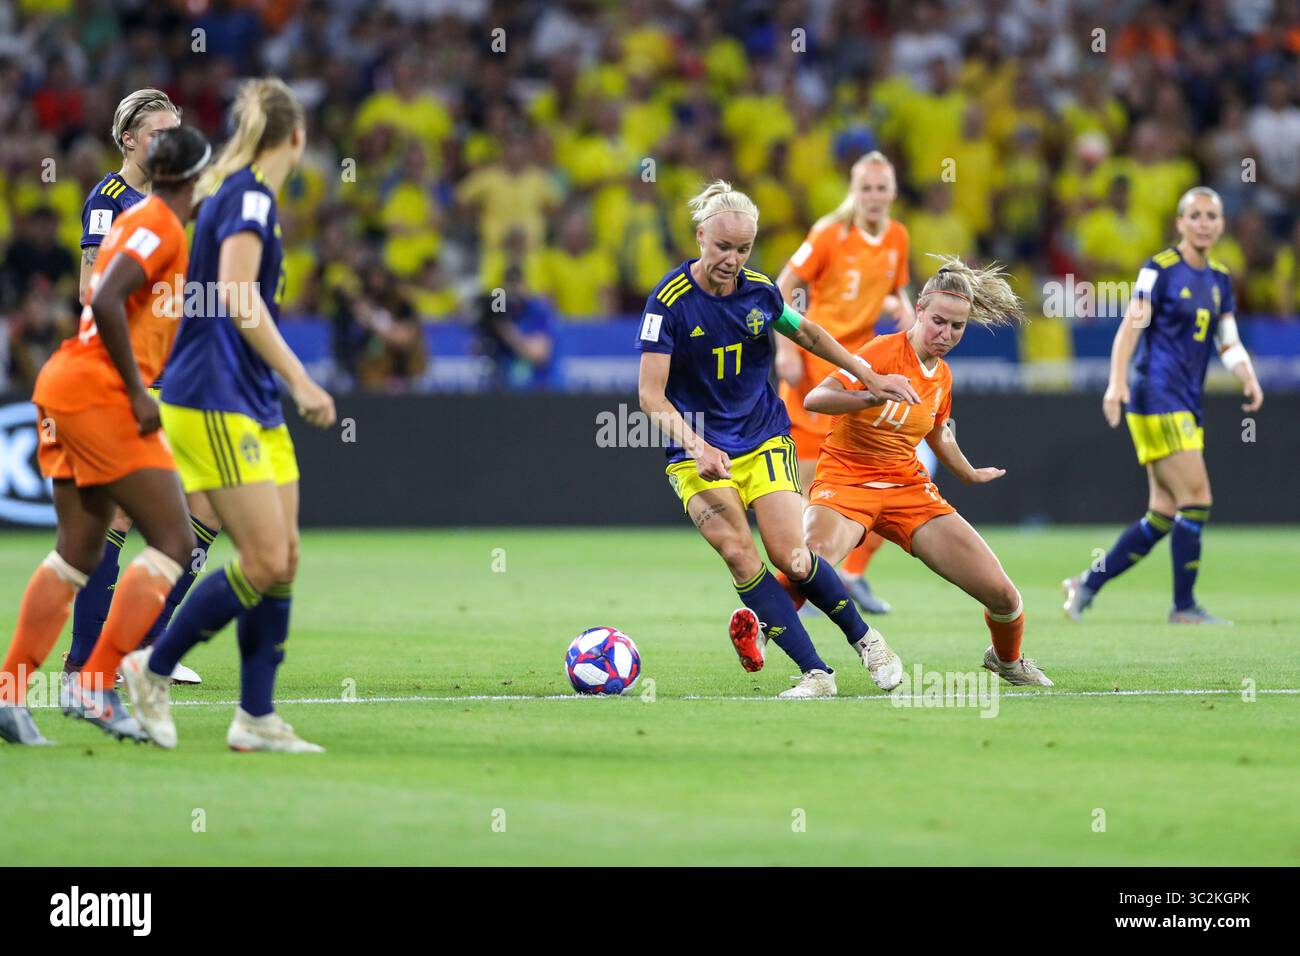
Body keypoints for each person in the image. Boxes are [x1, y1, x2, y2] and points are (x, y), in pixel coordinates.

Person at [636, 181, 920, 699]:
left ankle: (869, 642)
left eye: (743, 249)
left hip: (761, 438)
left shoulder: (760, 292)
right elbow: (651, 397)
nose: (732, 259)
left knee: (793, 557)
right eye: (723, 246)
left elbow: (808, 333)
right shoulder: (669, 302)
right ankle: (817, 673)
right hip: (695, 452)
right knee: (739, 553)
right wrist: (697, 445)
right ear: (701, 236)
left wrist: (866, 374)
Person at [120, 78, 337, 753]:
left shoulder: (242, 192)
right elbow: (240, 300)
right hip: (214, 394)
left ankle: (255, 718)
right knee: (265, 558)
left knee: (285, 558)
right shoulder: (246, 196)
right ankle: (148, 667)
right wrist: (302, 378)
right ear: (296, 138)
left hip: (248, 397)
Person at [0, 127, 214, 746]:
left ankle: (12, 693)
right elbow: (106, 296)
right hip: (99, 392)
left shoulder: (149, 219)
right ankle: (94, 685)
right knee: (175, 536)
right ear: (191, 179)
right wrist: (137, 389)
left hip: (65, 386)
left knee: (78, 551)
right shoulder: (160, 224)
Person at [798, 255, 1054, 687]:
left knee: (1004, 595)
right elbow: (816, 400)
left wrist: (968, 473)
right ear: (918, 310)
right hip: (847, 483)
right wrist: (872, 393)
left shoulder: (943, 376)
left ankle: (1007, 661)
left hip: (908, 490)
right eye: (939, 321)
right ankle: (786, 647)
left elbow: (938, 432)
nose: (946, 334)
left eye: (957, 327)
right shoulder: (881, 351)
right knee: (805, 566)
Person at [66, 88, 216, 686]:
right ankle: (85, 658)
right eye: (157, 133)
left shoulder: (181, 201)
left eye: (174, 132)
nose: (169, 143)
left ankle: (152, 646)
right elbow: (90, 290)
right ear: (129, 140)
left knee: (208, 506)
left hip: (181, 374)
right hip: (128, 374)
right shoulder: (111, 200)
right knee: (123, 516)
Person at [1063, 187, 1263, 624]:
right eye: (1195, 215)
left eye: (1212, 215)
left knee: (1163, 514)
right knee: (1198, 497)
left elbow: (1227, 341)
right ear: (1180, 222)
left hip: (1186, 402)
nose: (1204, 223)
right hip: (1156, 395)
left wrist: (1245, 373)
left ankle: (1086, 584)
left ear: (1221, 224)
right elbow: (1129, 330)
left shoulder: (1220, 279)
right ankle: (1184, 607)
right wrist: (1116, 384)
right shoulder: (1160, 269)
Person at [776, 150, 921, 615]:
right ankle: (807, 584)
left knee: (893, 473)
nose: (875, 197)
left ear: (893, 193)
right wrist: (783, 348)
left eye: (882, 188)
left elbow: (895, 285)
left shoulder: (898, 236)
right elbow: (781, 287)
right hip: (813, 372)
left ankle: (849, 573)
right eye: (866, 188)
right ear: (853, 193)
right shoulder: (828, 233)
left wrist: (904, 307)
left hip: (861, 376)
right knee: (808, 491)